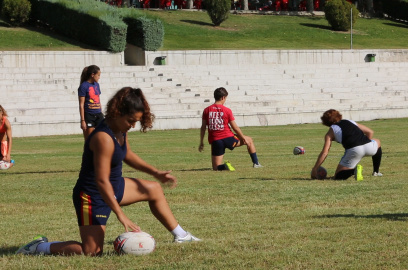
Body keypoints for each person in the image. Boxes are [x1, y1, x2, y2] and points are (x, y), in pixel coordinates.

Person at [17, 87, 200, 256]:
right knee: (92, 252)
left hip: (115, 186)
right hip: (92, 196)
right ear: (117, 112)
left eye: (135, 121)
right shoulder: (103, 138)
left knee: (154, 189)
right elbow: (101, 181)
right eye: (131, 121)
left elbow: (127, 154)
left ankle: (182, 235)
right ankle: (39, 246)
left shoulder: (119, 130)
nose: (133, 126)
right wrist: (121, 215)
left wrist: (155, 173)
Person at [199, 87, 262, 171]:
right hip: (229, 139)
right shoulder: (227, 110)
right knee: (249, 140)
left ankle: (224, 166)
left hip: (216, 141)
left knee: (216, 168)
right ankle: (256, 163)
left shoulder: (207, 110)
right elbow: (235, 127)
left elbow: (203, 128)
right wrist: (243, 138)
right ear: (223, 97)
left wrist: (201, 142)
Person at [311, 109, 383, 180]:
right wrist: (365, 144)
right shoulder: (350, 121)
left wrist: (315, 168)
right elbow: (370, 132)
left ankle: (353, 171)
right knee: (377, 141)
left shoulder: (331, 131)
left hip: (355, 150)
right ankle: (376, 172)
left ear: (325, 122)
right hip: (370, 147)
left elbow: (325, 152)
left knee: (338, 176)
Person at [78, 65, 104, 141]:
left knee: (102, 137)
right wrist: (83, 120)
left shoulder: (97, 85)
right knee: (89, 141)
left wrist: (100, 112)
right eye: (98, 75)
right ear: (92, 75)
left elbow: (98, 99)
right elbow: (81, 104)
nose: (99, 77)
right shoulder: (83, 86)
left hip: (98, 114)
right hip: (89, 115)